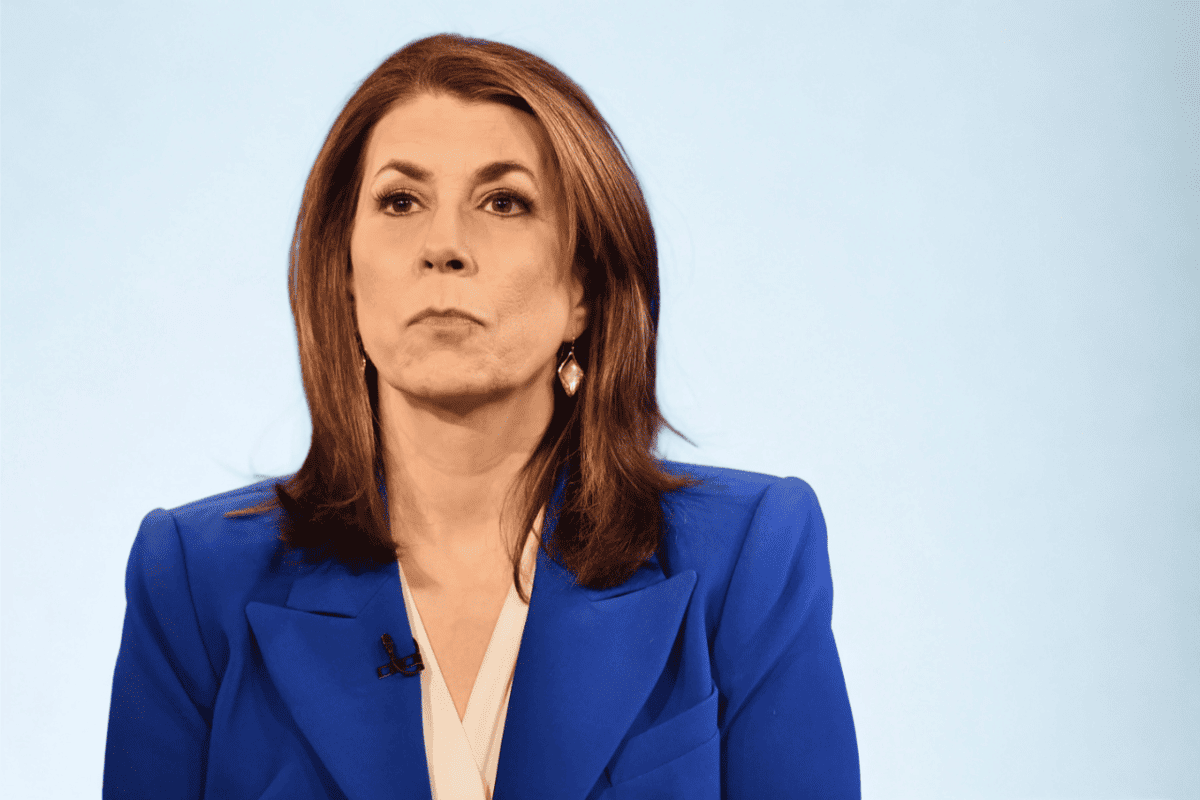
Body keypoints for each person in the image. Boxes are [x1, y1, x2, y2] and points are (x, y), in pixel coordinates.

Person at [103, 33, 860, 800]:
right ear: (345, 275)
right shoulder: (191, 580)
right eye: (401, 201)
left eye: (504, 202)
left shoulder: (749, 558)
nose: (443, 246)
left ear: (583, 288)